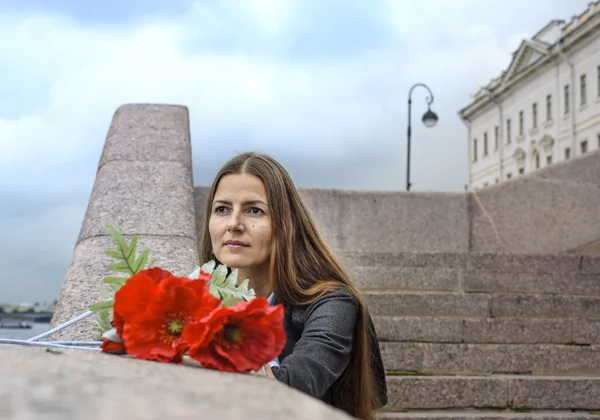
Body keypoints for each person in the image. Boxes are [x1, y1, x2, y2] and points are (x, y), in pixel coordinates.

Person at [199, 152, 388, 419]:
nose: (234, 224)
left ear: (285, 224)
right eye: (222, 209)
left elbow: (296, 384)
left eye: (255, 210)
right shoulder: (196, 297)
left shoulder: (334, 303)